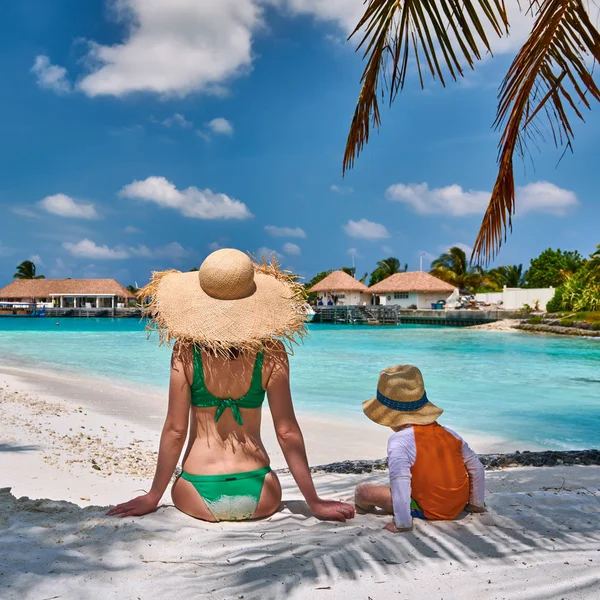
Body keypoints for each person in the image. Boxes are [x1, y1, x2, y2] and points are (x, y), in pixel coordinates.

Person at [108, 249, 354, 523]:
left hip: (196, 489)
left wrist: (153, 496)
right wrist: (314, 501)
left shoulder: (186, 351)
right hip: (261, 492)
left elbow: (175, 430)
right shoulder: (272, 352)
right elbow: (287, 432)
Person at [354, 365, 485, 533]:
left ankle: (363, 509)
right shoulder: (452, 435)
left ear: (390, 416)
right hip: (457, 505)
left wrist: (402, 523)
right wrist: (476, 504)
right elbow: (477, 468)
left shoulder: (399, 441)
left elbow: (400, 479)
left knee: (363, 491)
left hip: (426, 509)